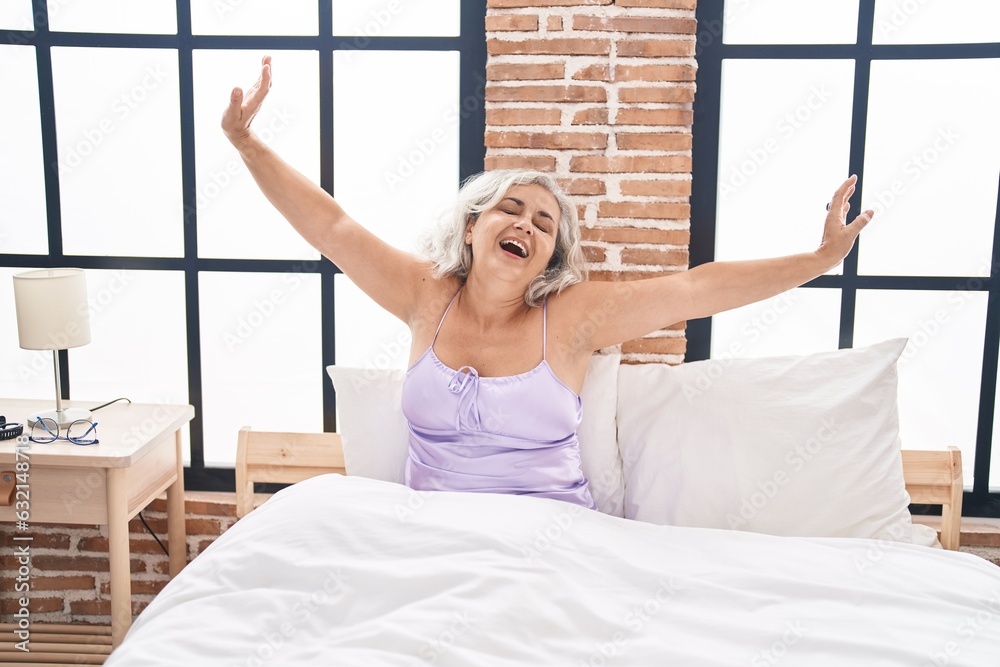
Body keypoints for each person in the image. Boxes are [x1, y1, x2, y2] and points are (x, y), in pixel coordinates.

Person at [222, 56, 874, 511]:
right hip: (426, 535)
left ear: (548, 260)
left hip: (548, 541)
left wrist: (816, 261)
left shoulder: (571, 317)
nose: (527, 226)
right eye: (512, 208)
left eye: (544, 225)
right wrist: (246, 142)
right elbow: (332, 226)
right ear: (474, 226)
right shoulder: (425, 293)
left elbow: (696, 289)